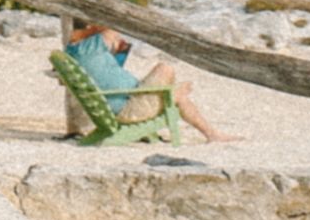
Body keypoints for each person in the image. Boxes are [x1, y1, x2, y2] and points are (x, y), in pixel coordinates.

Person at [66, 21, 222, 141]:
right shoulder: (87, 49)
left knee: (177, 94)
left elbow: (110, 36)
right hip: (131, 109)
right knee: (165, 69)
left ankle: (211, 134)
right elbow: (112, 28)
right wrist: (97, 28)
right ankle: (211, 134)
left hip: (126, 102)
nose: (118, 40)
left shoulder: (78, 53)